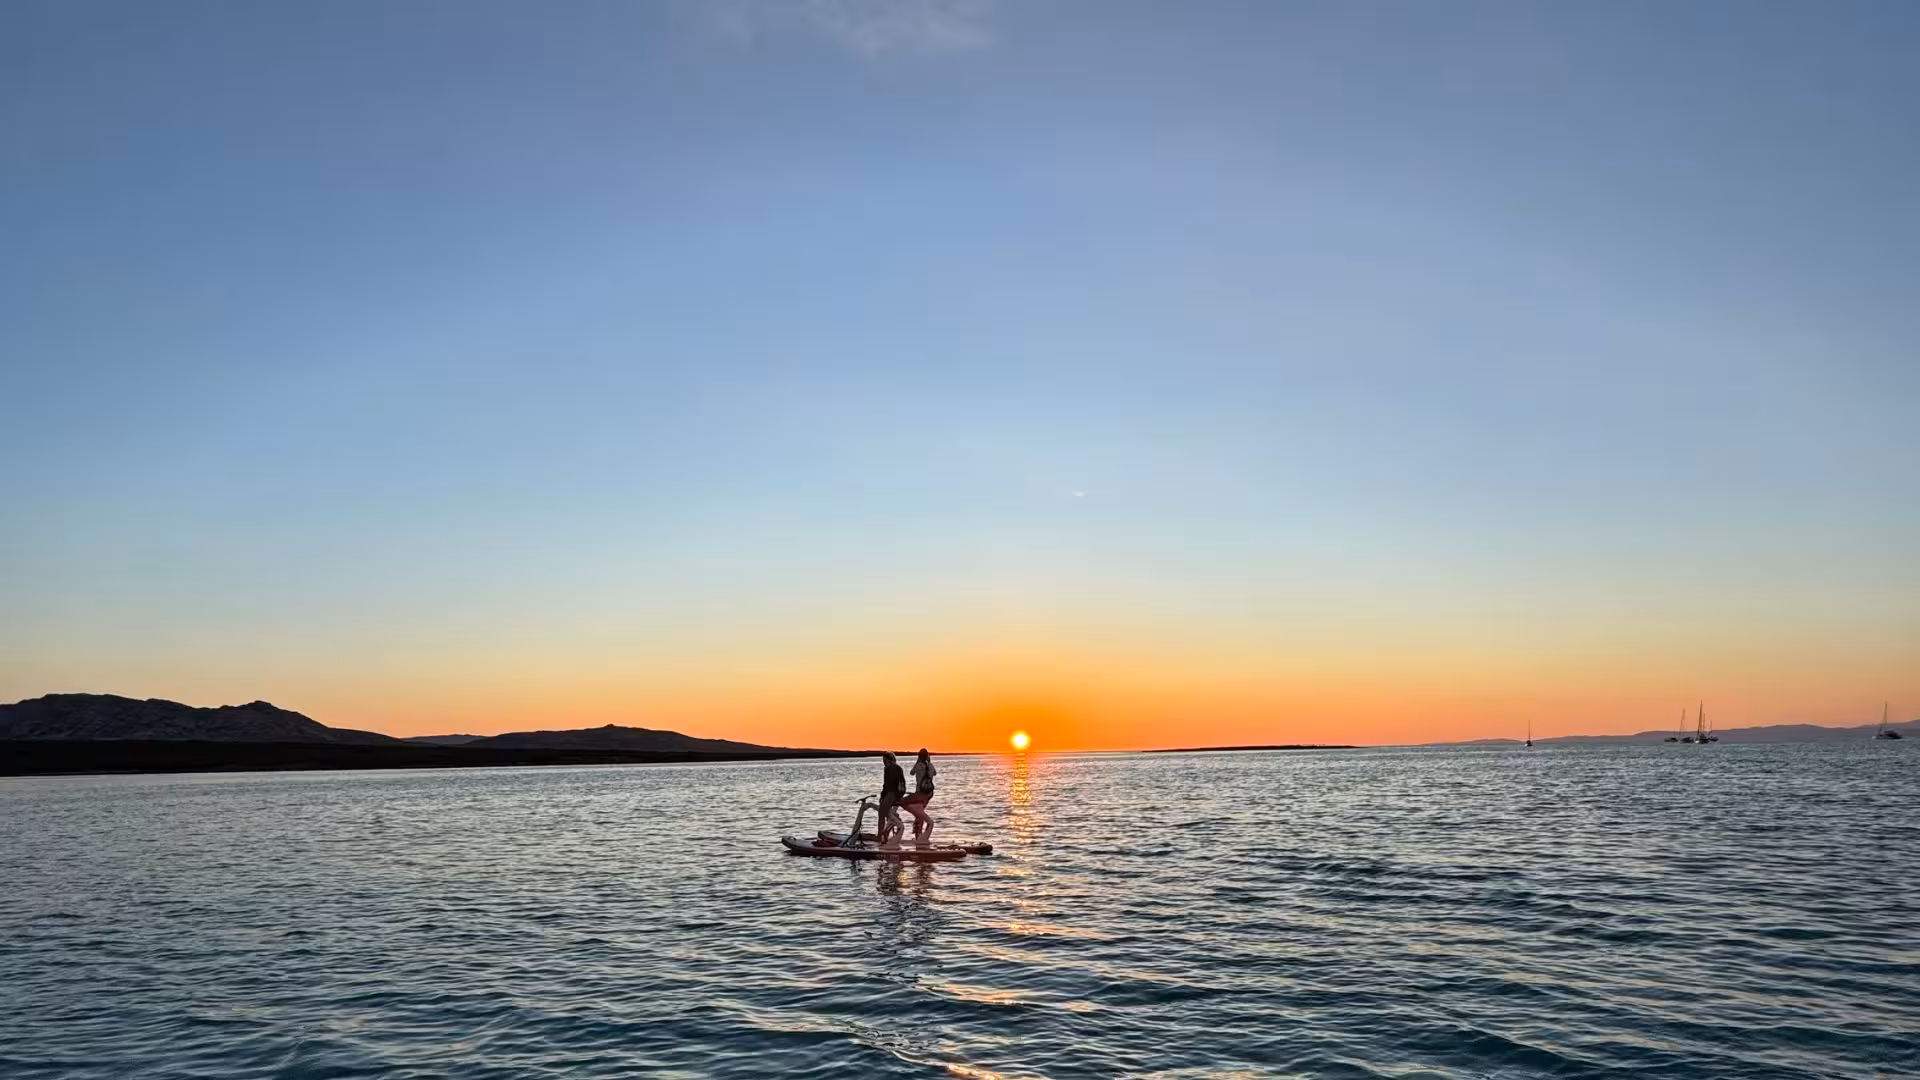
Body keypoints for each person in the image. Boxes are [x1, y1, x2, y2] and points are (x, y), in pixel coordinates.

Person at [900, 748, 937, 844]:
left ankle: (919, 836)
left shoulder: (919, 765)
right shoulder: (931, 765)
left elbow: (911, 772)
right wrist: (928, 762)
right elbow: (935, 773)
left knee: (901, 802)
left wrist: (918, 762)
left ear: (919, 757)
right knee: (920, 812)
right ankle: (919, 836)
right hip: (929, 794)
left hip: (919, 793)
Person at [876, 751, 907, 847]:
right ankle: (887, 832)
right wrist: (899, 795)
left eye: (884, 760)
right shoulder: (898, 768)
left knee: (881, 813)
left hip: (891, 794)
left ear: (887, 760)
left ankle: (880, 836)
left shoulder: (888, 768)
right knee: (888, 814)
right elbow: (902, 783)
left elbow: (887, 785)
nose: (883, 762)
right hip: (898, 794)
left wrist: (882, 796)